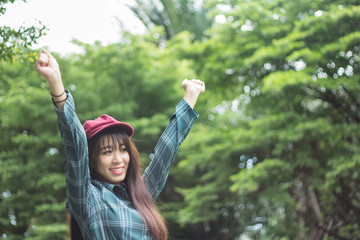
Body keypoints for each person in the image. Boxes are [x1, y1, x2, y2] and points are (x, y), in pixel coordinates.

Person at [34, 49, 205, 240]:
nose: (118, 160)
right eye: (107, 152)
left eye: (123, 149)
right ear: (92, 160)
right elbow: (75, 146)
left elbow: (166, 153)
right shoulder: (87, 198)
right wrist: (56, 83)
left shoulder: (141, 193)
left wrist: (190, 97)